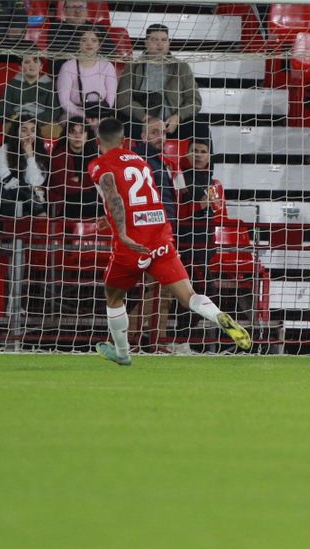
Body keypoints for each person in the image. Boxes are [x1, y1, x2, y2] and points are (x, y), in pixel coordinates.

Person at [88, 117, 251, 364]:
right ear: (124, 140)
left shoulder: (100, 164)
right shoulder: (141, 161)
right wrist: (110, 219)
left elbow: (114, 196)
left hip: (132, 240)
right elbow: (143, 198)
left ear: (98, 141)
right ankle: (217, 315)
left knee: (114, 297)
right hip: (160, 234)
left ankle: (122, 353)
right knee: (188, 295)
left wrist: (120, 231)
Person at [117, 23, 200, 139]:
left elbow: (195, 100)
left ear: (169, 43)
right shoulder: (133, 66)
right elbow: (122, 99)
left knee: (201, 128)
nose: (159, 44)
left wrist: (178, 117)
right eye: (155, 40)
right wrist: (144, 117)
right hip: (142, 122)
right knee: (125, 125)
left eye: (164, 40)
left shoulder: (181, 67)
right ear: (146, 43)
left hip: (173, 123)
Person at [58, 25, 120, 123]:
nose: (89, 43)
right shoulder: (67, 67)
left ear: (99, 44)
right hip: (74, 115)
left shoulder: (107, 66)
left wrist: (99, 116)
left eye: (94, 40)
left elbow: (110, 99)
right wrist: (84, 116)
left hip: (101, 114)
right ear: (78, 43)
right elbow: (64, 101)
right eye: (84, 40)